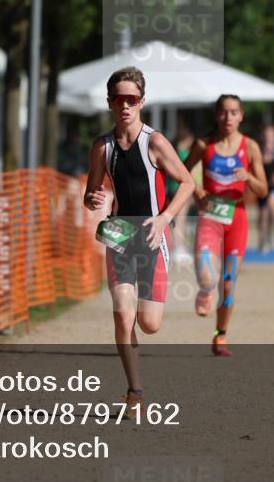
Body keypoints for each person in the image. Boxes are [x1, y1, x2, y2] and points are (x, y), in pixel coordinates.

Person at [84, 67, 195, 411]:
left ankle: (136, 382)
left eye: (131, 99)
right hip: (120, 235)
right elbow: (91, 192)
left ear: (142, 102)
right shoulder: (102, 147)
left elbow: (188, 182)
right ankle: (135, 391)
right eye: (119, 99)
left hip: (151, 235)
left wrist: (164, 218)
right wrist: (92, 199)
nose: (125, 106)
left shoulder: (155, 142)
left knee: (149, 324)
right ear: (109, 102)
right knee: (122, 314)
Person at [184, 95, 268, 357]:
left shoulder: (250, 147)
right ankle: (205, 289)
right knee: (208, 278)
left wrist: (249, 177)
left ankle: (220, 334)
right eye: (223, 112)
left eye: (233, 112)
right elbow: (183, 173)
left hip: (236, 220)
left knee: (229, 284)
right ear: (216, 115)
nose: (228, 117)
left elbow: (263, 190)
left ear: (241, 116)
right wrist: (197, 192)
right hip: (210, 218)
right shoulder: (203, 144)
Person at [169, 122, 197, 265]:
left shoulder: (172, 152)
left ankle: (177, 247)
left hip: (173, 189)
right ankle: (178, 248)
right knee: (180, 220)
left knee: (176, 220)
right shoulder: (184, 153)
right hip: (181, 190)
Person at [257, 124, 274, 254]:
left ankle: (271, 233)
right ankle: (262, 239)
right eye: (267, 134)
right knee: (263, 214)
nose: (269, 137)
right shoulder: (258, 150)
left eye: (271, 134)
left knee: (272, 208)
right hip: (262, 185)